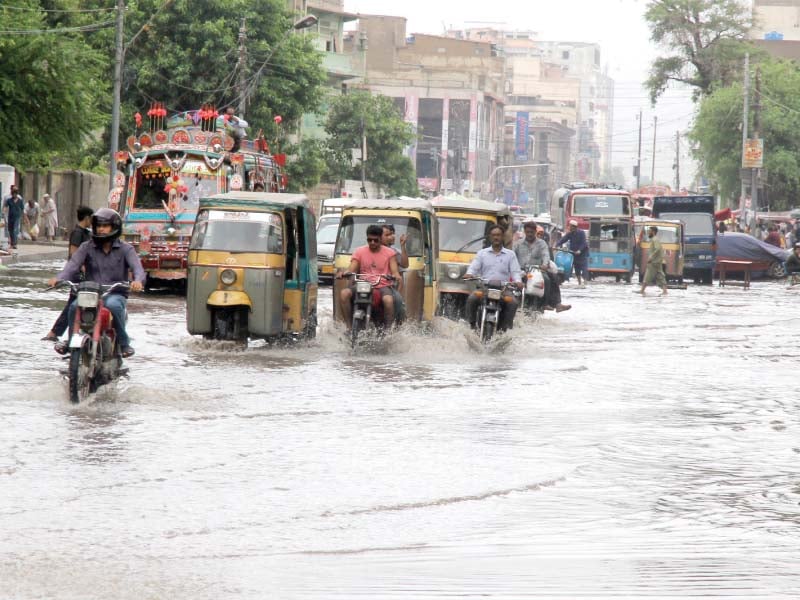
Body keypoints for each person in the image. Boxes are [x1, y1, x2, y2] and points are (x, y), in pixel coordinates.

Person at [47, 208, 145, 358]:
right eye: (98, 226)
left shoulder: (126, 249)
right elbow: (72, 265)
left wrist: (137, 281)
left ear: (114, 227)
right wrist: (59, 278)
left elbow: (138, 269)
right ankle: (71, 339)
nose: (101, 229)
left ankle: (124, 343)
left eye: (105, 226)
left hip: (115, 293)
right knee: (74, 307)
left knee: (113, 305)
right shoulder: (86, 247)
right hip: (90, 293)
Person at [41, 206, 95, 342]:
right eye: (91, 218)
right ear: (87, 218)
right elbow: (74, 253)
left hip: (82, 275)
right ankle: (57, 333)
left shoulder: (86, 233)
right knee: (73, 305)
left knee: (75, 305)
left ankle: (56, 333)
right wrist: (82, 267)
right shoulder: (77, 233)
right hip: (77, 275)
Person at [336, 224, 402, 329]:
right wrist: (344, 273)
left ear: (381, 239)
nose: (372, 243)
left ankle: (388, 330)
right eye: (369, 240)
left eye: (375, 240)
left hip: (382, 285)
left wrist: (396, 276)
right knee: (344, 294)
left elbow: (394, 271)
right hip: (363, 284)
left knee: (388, 301)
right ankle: (348, 327)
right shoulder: (359, 251)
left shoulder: (390, 253)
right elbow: (352, 268)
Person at [464, 224, 523, 331]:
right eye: (494, 235)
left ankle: (506, 330)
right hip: (484, 288)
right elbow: (474, 267)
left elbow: (515, 272)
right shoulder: (482, 253)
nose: (496, 237)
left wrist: (518, 281)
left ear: (503, 237)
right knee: (472, 298)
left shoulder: (510, 255)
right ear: (490, 237)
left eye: (499, 235)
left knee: (513, 302)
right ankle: (471, 325)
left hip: (504, 290)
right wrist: (470, 274)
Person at [514, 221, 571, 313]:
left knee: (548, 279)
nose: (529, 234)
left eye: (531, 232)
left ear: (535, 232)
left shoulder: (542, 243)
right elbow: (512, 256)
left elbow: (546, 256)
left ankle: (546, 304)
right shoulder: (518, 244)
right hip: (521, 271)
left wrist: (545, 265)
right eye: (527, 232)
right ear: (524, 232)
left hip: (537, 271)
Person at [556, 219, 590, 286]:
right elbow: (563, 239)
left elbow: (583, 243)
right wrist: (556, 245)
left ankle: (585, 282)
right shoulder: (570, 234)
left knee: (584, 268)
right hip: (574, 253)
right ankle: (579, 283)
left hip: (582, 253)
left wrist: (580, 250)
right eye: (569, 226)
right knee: (577, 268)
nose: (569, 228)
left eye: (571, 226)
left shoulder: (581, 233)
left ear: (574, 227)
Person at [638, 225, 668, 296]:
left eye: (649, 231)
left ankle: (642, 290)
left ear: (653, 232)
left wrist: (651, 257)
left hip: (654, 262)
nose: (648, 233)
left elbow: (657, 249)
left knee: (648, 275)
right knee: (660, 275)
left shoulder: (655, 239)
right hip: (657, 261)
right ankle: (665, 291)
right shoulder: (655, 239)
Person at [3, 185, 25, 249]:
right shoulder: (9, 200)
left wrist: (24, 218)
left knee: (15, 230)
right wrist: (4, 212)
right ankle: (12, 244)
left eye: (15, 194)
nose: (14, 195)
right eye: (13, 194)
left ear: (16, 194)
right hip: (10, 217)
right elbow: (5, 206)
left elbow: (22, 209)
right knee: (11, 230)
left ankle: (14, 244)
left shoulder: (20, 200)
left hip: (17, 217)